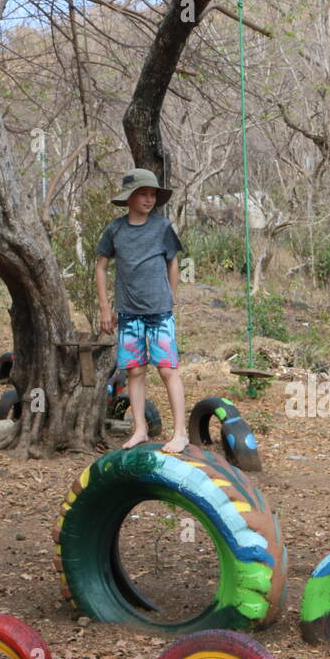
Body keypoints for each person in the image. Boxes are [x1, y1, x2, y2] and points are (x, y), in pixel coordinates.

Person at [95, 168, 189, 453]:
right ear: (129, 198)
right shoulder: (115, 230)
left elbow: (173, 261)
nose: (149, 200)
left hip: (159, 311)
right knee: (134, 370)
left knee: (166, 369)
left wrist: (171, 296)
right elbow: (101, 266)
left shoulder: (162, 227)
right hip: (128, 313)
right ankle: (140, 430)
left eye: (152, 195)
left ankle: (181, 433)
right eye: (143, 194)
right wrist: (104, 308)